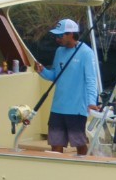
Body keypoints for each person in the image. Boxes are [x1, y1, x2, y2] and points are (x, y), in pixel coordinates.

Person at [38, 17, 101, 156]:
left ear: (71, 34)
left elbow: (91, 80)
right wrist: (42, 71)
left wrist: (92, 102)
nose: (57, 39)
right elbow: (55, 75)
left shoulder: (86, 52)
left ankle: (84, 169)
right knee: (56, 145)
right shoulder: (59, 52)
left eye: (60, 35)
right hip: (58, 108)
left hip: (76, 109)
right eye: (56, 35)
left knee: (79, 143)